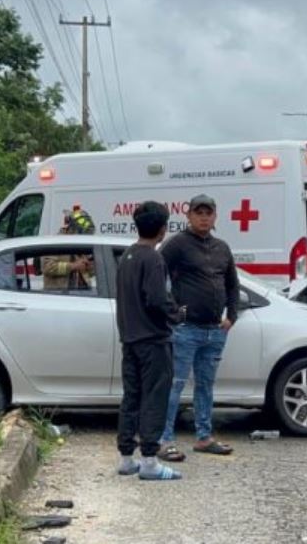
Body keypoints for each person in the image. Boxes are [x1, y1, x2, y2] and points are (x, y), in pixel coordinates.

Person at [158, 194, 239, 461]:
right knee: (175, 385)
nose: (204, 217)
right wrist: (174, 311)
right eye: (198, 212)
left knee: (206, 385)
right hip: (186, 330)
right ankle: (164, 439)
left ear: (215, 216)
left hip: (215, 330)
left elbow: (232, 284)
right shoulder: (177, 244)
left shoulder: (222, 247)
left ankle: (204, 437)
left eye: (208, 213)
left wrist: (232, 316)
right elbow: (157, 274)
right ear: (189, 215)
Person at [115, 201, 185, 481]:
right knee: (155, 397)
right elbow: (156, 299)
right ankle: (150, 462)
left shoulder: (127, 256)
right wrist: (176, 314)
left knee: (131, 397)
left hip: (129, 339)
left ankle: (125, 458)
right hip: (153, 340)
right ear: (162, 229)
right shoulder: (154, 258)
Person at [43, 207, 95, 290]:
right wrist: (74, 266)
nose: (83, 240)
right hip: (59, 296)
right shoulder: (56, 243)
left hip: (82, 295)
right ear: (72, 229)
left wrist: (89, 266)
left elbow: (90, 274)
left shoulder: (80, 245)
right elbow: (48, 267)